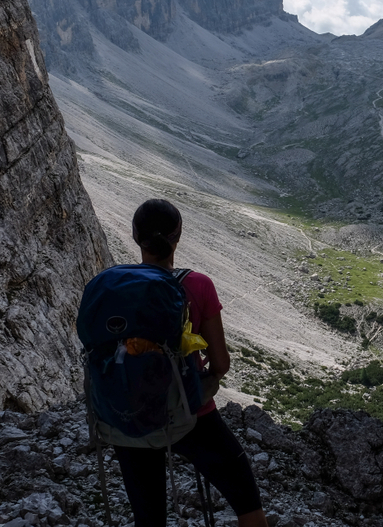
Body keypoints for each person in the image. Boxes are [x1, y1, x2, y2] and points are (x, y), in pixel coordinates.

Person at [113, 199, 268, 527]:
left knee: (149, 519)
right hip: (191, 413)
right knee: (247, 502)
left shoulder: (116, 287)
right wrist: (202, 387)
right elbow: (221, 363)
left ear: (134, 236)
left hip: (130, 417)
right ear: (177, 237)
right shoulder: (197, 285)